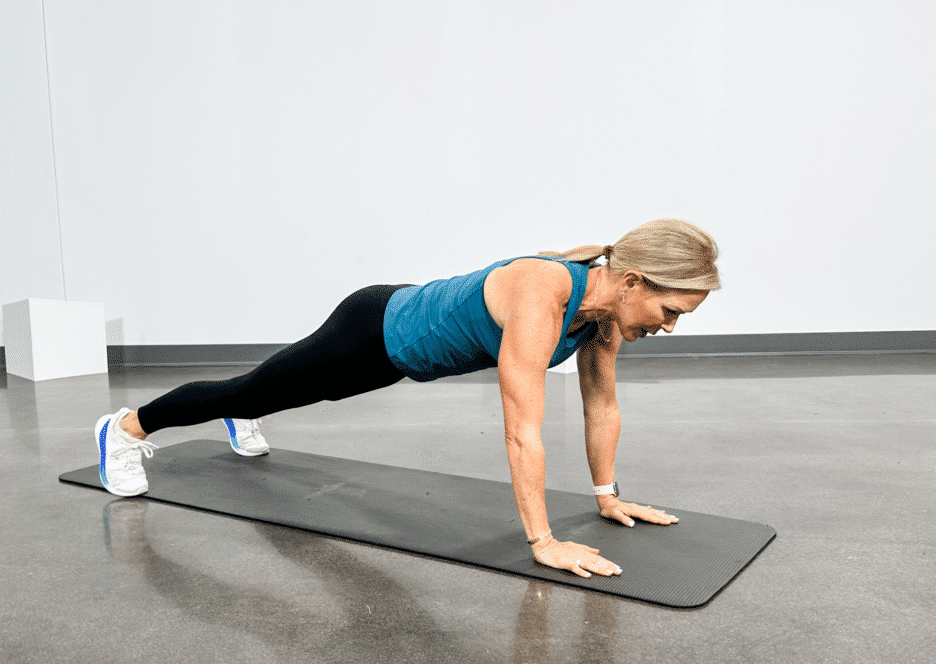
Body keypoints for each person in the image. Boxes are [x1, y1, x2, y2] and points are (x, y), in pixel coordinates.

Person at [91, 218, 723, 579]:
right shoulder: (544, 294)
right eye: (670, 310)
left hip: (402, 352)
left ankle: (247, 409)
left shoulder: (605, 314)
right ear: (634, 280)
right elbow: (522, 429)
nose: (669, 326)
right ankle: (125, 429)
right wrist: (543, 543)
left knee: (282, 395)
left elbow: (601, 405)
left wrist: (607, 499)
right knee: (250, 390)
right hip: (372, 331)